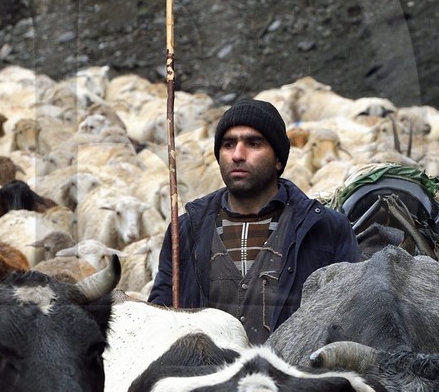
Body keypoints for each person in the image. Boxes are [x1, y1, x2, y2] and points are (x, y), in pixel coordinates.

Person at [149, 98, 360, 341]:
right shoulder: (185, 231)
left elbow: (353, 318)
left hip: (295, 376)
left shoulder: (325, 228)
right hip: (206, 377)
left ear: (278, 160)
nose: (237, 155)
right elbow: (157, 320)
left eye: (253, 143)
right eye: (228, 144)